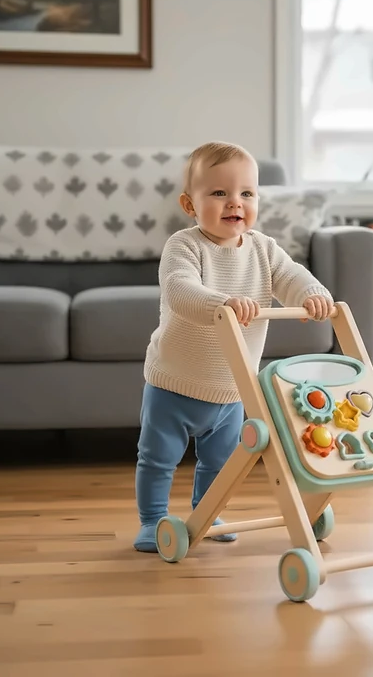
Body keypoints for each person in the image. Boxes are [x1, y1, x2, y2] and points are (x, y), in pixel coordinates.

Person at [134, 141, 334, 552]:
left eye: (246, 193)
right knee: (158, 459)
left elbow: (291, 275)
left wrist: (310, 293)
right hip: (174, 382)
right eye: (219, 193)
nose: (234, 203)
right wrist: (221, 302)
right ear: (190, 204)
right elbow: (180, 290)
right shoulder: (184, 246)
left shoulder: (264, 249)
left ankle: (208, 512)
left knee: (222, 464)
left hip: (231, 388)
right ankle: (152, 520)